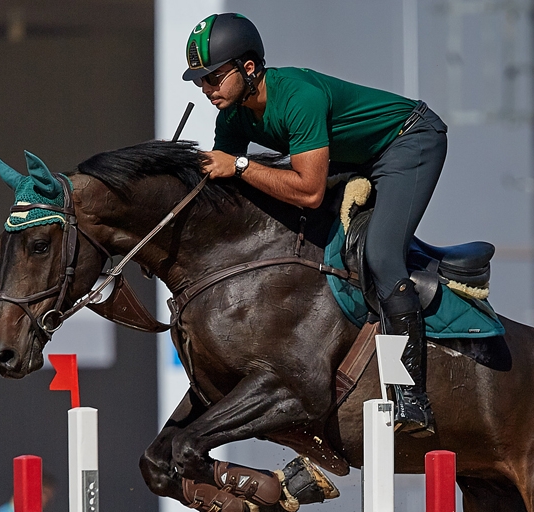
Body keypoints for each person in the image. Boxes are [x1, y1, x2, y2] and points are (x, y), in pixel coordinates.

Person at [184, 12, 447, 436]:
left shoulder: (298, 97)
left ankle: (412, 396)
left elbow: (308, 191)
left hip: (408, 142)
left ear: (249, 69)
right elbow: (231, 192)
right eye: (200, 80)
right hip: (357, 157)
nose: (206, 88)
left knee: (381, 255)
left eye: (213, 77)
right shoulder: (231, 116)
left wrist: (238, 163)